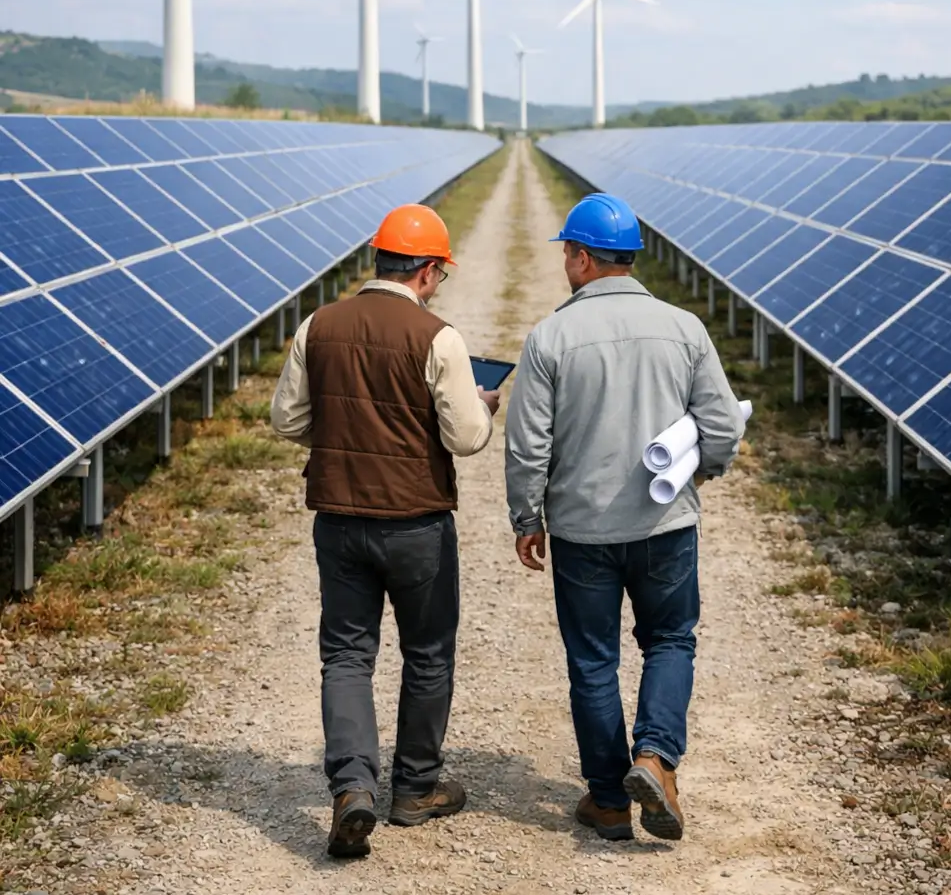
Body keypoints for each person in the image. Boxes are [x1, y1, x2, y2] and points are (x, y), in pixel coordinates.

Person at [505, 193, 745, 843]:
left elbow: (529, 444)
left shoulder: (549, 337)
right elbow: (722, 424)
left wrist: (528, 517)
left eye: (566, 252)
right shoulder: (685, 327)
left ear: (581, 258)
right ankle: (656, 758)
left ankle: (609, 802)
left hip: (583, 534)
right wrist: (703, 471)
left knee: (592, 660)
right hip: (666, 524)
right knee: (670, 639)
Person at [271, 203, 500, 859]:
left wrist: (343, 437)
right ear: (428, 272)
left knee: (346, 655)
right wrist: (481, 406)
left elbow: (286, 421)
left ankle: (352, 788)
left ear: (380, 262)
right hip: (417, 524)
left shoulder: (318, 325)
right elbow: (463, 437)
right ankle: (415, 790)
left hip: (339, 521)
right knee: (427, 654)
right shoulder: (438, 338)